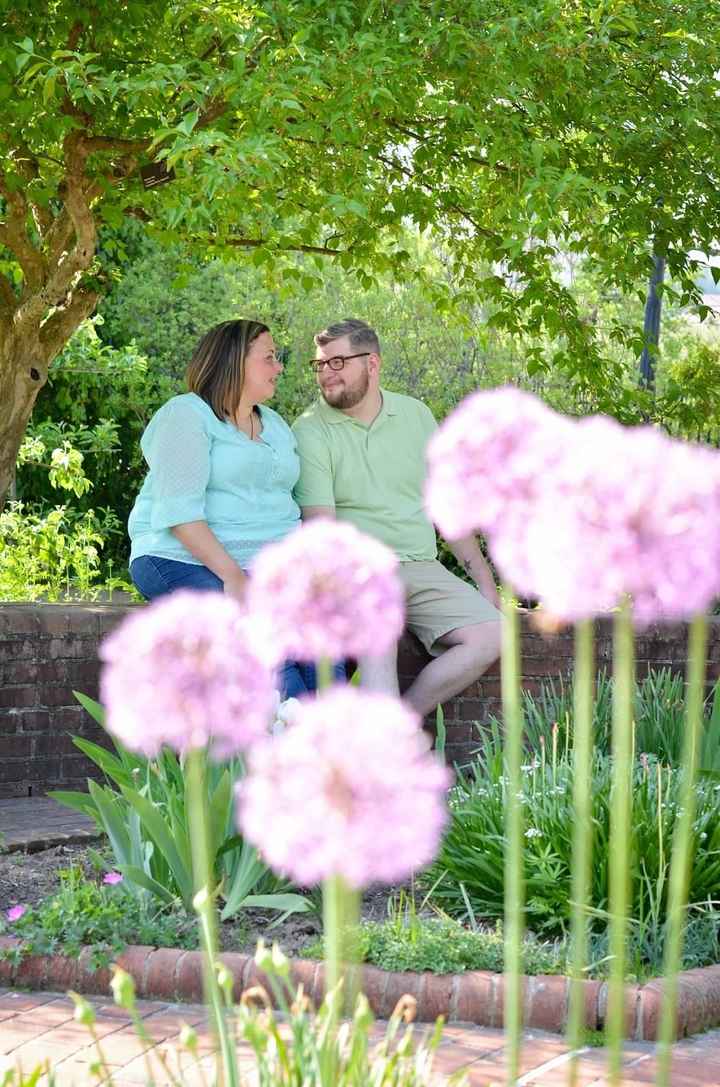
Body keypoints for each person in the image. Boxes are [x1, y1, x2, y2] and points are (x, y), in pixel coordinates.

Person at [292, 318, 501, 718]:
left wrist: (484, 582)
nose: (326, 374)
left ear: (372, 363)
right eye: (319, 365)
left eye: (337, 363)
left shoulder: (415, 415)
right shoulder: (310, 430)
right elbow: (322, 531)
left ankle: (401, 722)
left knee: (492, 635)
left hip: (421, 567)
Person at [128, 318, 341, 699]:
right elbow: (180, 514)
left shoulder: (274, 424)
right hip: (185, 559)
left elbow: (281, 502)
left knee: (326, 663)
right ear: (233, 362)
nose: (279, 368)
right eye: (270, 358)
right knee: (270, 662)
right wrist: (234, 578)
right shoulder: (186, 415)